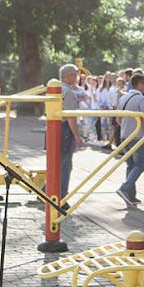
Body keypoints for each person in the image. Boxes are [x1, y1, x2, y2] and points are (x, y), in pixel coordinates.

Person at [115, 73, 144, 207]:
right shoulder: (141, 99)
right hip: (137, 136)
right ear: (139, 84)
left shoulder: (123, 97)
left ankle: (130, 196)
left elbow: (118, 119)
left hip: (124, 135)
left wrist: (126, 127)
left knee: (130, 165)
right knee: (140, 164)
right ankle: (125, 188)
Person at [58, 63, 85, 196]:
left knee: (58, 163)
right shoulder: (67, 92)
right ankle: (61, 195)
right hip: (65, 130)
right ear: (65, 77)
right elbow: (71, 117)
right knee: (65, 165)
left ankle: (46, 190)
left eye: (76, 74)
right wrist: (77, 136)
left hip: (56, 127)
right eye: (73, 75)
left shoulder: (58, 88)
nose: (76, 77)